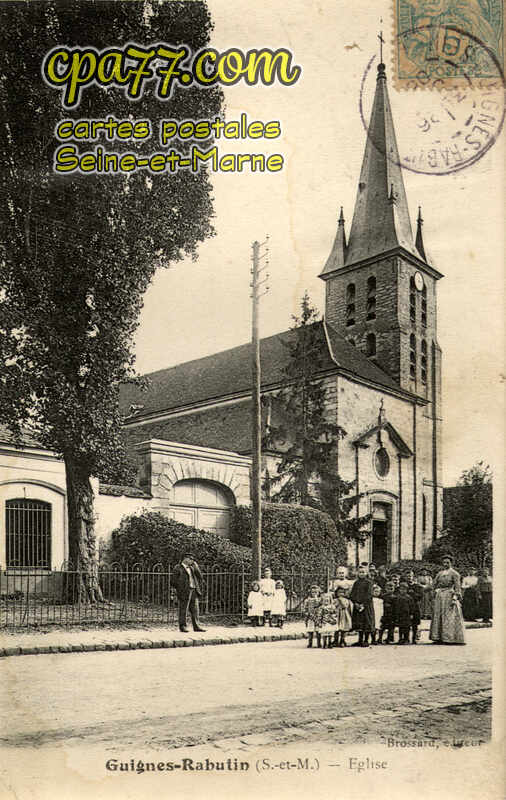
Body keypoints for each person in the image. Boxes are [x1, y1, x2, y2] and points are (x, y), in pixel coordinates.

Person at [429, 555, 466, 644]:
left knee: (449, 617)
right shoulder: (440, 573)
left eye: (447, 562)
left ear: (451, 563)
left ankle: (449, 638)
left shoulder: (455, 574)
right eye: (444, 562)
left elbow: (457, 587)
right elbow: (434, 584)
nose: (445, 564)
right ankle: (438, 637)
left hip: (449, 595)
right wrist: (432, 593)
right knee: (438, 616)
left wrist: (455, 598)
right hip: (440, 596)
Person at [172, 553, 206, 633]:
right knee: (183, 609)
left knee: (195, 609)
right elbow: (173, 581)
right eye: (191, 559)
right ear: (185, 559)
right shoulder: (178, 568)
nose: (192, 560)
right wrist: (180, 588)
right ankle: (183, 626)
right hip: (184, 591)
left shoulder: (192, 567)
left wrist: (196, 567)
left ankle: (196, 626)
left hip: (194, 589)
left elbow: (200, 577)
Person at [350, 564, 375, 647]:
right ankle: (360, 640)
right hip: (357, 605)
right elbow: (352, 594)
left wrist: (363, 604)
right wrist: (356, 603)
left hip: (366, 606)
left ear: (366, 573)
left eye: (363, 572)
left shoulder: (369, 582)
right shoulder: (356, 583)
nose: (361, 574)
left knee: (366, 623)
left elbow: (369, 594)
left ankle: (366, 640)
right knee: (359, 623)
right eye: (360, 572)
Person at [405, 570, 423, 642]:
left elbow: (420, 596)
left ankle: (414, 638)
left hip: (415, 606)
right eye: (407, 576)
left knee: (415, 623)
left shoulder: (417, 586)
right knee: (406, 623)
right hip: (406, 606)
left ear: (413, 577)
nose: (409, 577)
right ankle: (406, 638)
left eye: (410, 576)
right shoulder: (404, 586)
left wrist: (413, 594)